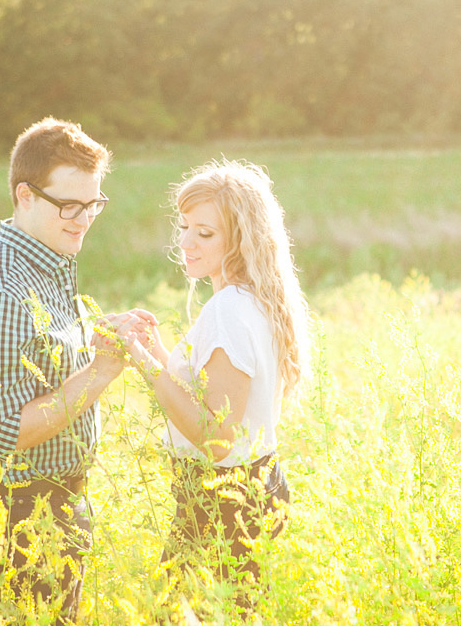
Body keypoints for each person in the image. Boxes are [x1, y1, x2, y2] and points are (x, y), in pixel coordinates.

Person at [95, 159, 310, 616]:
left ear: (242, 239)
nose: (186, 242)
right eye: (185, 226)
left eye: (205, 233)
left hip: (220, 503)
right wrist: (154, 349)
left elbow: (216, 438)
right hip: (249, 489)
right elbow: (214, 396)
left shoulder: (229, 309)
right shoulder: (250, 300)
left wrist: (138, 358)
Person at [0, 117, 118, 623]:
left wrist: (99, 339)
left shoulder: (48, 263)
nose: (83, 218)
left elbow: (43, 366)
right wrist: (103, 371)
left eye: (93, 204)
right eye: (69, 205)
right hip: (13, 510)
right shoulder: (1, 291)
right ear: (25, 195)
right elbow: (4, 429)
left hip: (50, 504)